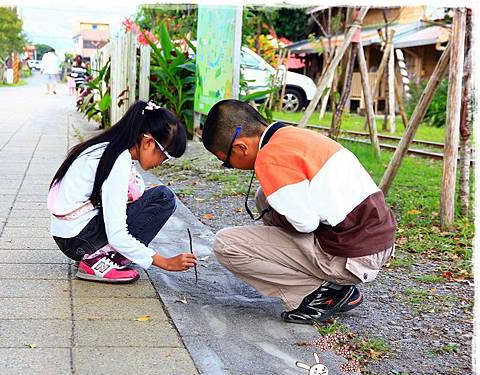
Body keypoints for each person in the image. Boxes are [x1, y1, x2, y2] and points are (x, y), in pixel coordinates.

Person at [202, 99, 396, 324]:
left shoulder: (270, 158)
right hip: (376, 239)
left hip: (353, 256)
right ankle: (330, 285)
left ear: (240, 148)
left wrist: (277, 221)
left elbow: (305, 224)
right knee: (263, 197)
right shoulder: (290, 135)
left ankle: (324, 294)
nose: (231, 168)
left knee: (227, 244)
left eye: (226, 162)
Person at [48, 100, 197, 283]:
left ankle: (104, 255)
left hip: (69, 234)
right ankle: (98, 260)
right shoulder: (117, 161)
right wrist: (165, 262)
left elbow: (136, 191)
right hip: (79, 240)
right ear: (148, 142)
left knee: (160, 196)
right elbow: (117, 234)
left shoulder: (108, 147)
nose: (161, 163)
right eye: (165, 157)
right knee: (164, 198)